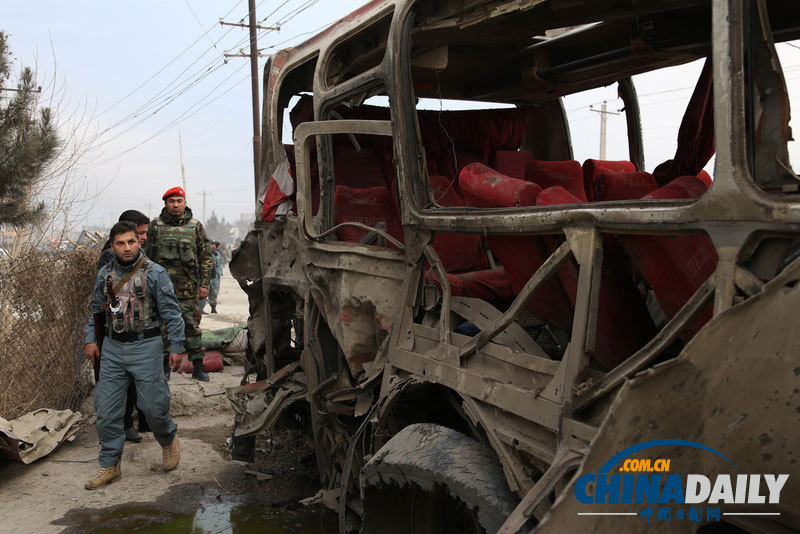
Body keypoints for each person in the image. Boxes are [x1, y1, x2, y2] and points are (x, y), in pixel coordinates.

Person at [83, 221, 184, 490]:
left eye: (131, 242)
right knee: (106, 410)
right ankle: (110, 465)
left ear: (139, 242)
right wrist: (91, 339)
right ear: (112, 245)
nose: (126, 248)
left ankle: (167, 438)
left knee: (153, 408)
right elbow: (96, 310)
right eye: (120, 243)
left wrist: (176, 346)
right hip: (113, 349)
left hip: (146, 346)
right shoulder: (105, 274)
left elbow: (172, 314)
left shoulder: (155, 273)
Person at [145, 187, 213, 382]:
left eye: (179, 201)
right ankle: (164, 366)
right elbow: (148, 257)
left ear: (185, 202)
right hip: (161, 289)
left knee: (192, 327)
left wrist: (205, 284)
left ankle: (198, 367)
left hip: (188, 289)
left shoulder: (195, 226)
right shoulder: (156, 226)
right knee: (161, 327)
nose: (176, 205)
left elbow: (206, 257)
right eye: (171, 201)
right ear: (165, 203)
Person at [96, 210, 151, 444]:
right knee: (120, 382)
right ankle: (124, 424)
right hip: (116, 327)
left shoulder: (140, 256)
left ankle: (139, 420)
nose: (142, 239)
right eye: (140, 234)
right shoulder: (111, 258)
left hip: (134, 324)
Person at [200, 241, 222, 314]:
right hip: (205, 276)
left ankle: (213, 308)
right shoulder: (204, 254)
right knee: (203, 292)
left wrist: (219, 274)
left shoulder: (217, 254)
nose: (213, 246)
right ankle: (200, 309)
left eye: (214, 245)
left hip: (215, 277)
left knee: (214, 293)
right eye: (211, 245)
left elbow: (219, 265)